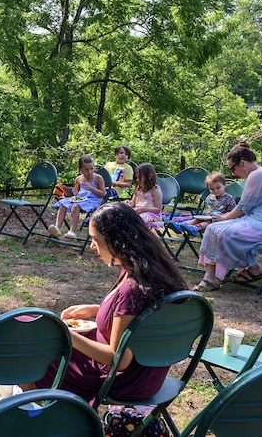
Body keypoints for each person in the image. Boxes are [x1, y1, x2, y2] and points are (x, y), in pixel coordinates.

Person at [37, 202, 187, 403]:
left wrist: (67, 335)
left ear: (117, 241)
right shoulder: (152, 270)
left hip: (123, 379)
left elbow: (118, 359)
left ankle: (38, 414)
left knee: (37, 351)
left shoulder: (132, 288)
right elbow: (140, 318)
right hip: (149, 374)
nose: (92, 246)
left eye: (95, 240)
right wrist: (96, 310)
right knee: (31, 324)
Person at [193, 142, 262, 292]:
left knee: (227, 232)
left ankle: (251, 268)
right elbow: (246, 207)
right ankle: (215, 277)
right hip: (260, 220)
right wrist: (225, 217)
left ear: (243, 163)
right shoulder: (259, 173)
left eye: (233, 168)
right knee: (213, 228)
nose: (233, 173)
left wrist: (225, 218)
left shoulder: (258, 175)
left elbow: (243, 207)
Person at [48, 154, 106, 239]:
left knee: (75, 206)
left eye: (91, 169)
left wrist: (92, 188)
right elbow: (78, 191)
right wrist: (75, 192)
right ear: (80, 169)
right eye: (86, 170)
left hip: (93, 200)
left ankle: (72, 231)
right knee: (63, 204)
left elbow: (103, 194)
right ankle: (57, 228)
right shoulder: (78, 179)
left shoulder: (98, 178)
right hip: (81, 199)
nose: (89, 172)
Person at [168, 172, 236, 236]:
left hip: (221, 221)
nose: (215, 190)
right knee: (197, 219)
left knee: (209, 221)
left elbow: (232, 214)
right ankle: (180, 225)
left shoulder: (229, 199)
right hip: (208, 217)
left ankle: (195, 228)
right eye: (212, 189)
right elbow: (208, 209)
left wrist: (222, 217)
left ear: (224, 185)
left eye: (218, 188)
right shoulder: (210, 196)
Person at [125, 163, 163, 230]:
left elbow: (158, 209)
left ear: (149, 176)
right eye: (136, 178)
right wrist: (129, 203)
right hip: (137, 211)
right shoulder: (138, 188)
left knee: (136, 219)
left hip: (150, 214)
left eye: (139, 177)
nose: (137, 180)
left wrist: (143, 209)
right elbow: (133, 202)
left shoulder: (155, 190)